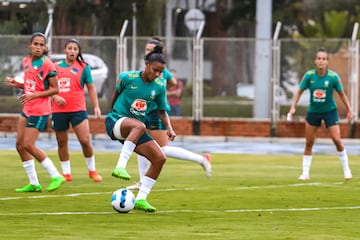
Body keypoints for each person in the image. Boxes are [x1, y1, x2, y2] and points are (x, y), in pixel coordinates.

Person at [126, 37, 211, 191]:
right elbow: (171, 82)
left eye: (149, 49)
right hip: (144, 110)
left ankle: (201, 159)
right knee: (140, 142)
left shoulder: (159, 70)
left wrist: (160, 93)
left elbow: (170, 82)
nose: (146, 52)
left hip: (156, 112)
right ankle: (141, 181)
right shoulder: (148, 68)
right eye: (145, 49)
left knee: (162, 149)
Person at [105, 45, 176, 212]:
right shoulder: (127, 77)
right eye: (155, 70)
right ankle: (120, 166)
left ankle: (141, 199)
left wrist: (169, 128)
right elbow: (115, 95)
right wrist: (111, 113)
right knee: (140, 125)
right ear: (146, 64)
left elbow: (161, 109)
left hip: (135, 130)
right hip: (116, 121)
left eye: (161, 72)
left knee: (160, 158)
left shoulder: (159, 86)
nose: (158, 74)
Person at [5, 32, 65, 192]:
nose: (38, 47)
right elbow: (31, 86)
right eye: (35, 44)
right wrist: (17, 84)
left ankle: (56, 175)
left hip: (40, 109)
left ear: (45, 48)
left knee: (28, 144)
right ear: (30, 46)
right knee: (19, 145)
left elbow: (55, 89)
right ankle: (34, 183)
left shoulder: (48, 65)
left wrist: (35, 95)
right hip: (28, 107)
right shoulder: (26, 62)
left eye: (41, 45)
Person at [288, 47, 352, 181]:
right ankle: (305, 173)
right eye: (319, 58)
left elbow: (342, 94)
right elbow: (299, 92)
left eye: (324, 59)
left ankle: (346, 170)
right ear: (315, 61)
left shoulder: (333, 77)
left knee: (337, 140)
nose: (321, 61)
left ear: (327, 62)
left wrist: (350, 110)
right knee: (309, 142)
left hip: (330, 112)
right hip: (314, 112)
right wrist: (292, 107)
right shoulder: (309, 76)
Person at [51, 38, 102, 182]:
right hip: (59, 111)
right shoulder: (55, 67)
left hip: (78, 110)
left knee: (85, 140)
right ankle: (66, 174)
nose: (72, 51)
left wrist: (96, 106)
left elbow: (91, 87)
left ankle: (92, 171)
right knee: (61, 142)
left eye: (75, 49)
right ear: (65, 50)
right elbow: (48, 87)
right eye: (70, 48)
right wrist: (55, 97)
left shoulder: (83, 67)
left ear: (78, 51)